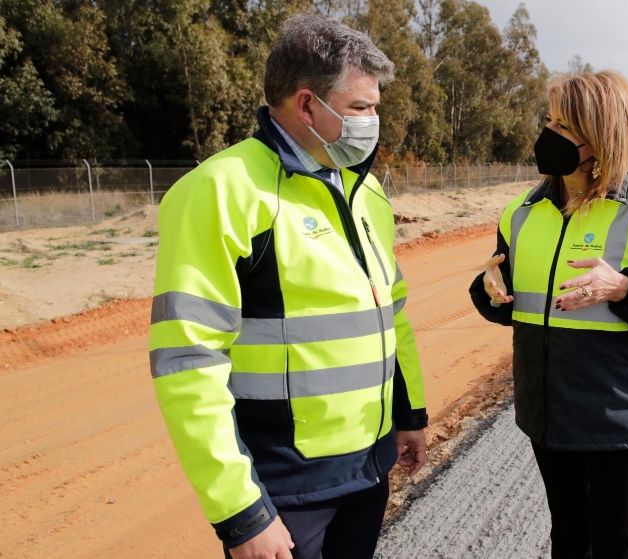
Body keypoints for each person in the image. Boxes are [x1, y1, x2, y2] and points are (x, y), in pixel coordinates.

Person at [149, 14, 428, 559]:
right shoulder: (220, 191)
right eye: (360, 108)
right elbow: (187, 361)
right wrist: (242, 513)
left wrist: (409, 416)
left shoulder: (366, 194)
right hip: (286, 496)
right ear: (306, 105)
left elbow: (390, 315)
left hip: (368, 474)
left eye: (376, 106)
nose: (374, 121)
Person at [469, 71, 628, 559]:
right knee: (568, 539)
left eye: (566, 126)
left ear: (601, 137)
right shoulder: (520, 213)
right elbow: (510, 300)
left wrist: (625, 287)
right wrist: (487, 292)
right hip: (547, 415)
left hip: (617, 421)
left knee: (615, 545)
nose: (549, 134)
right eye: (550, 120)